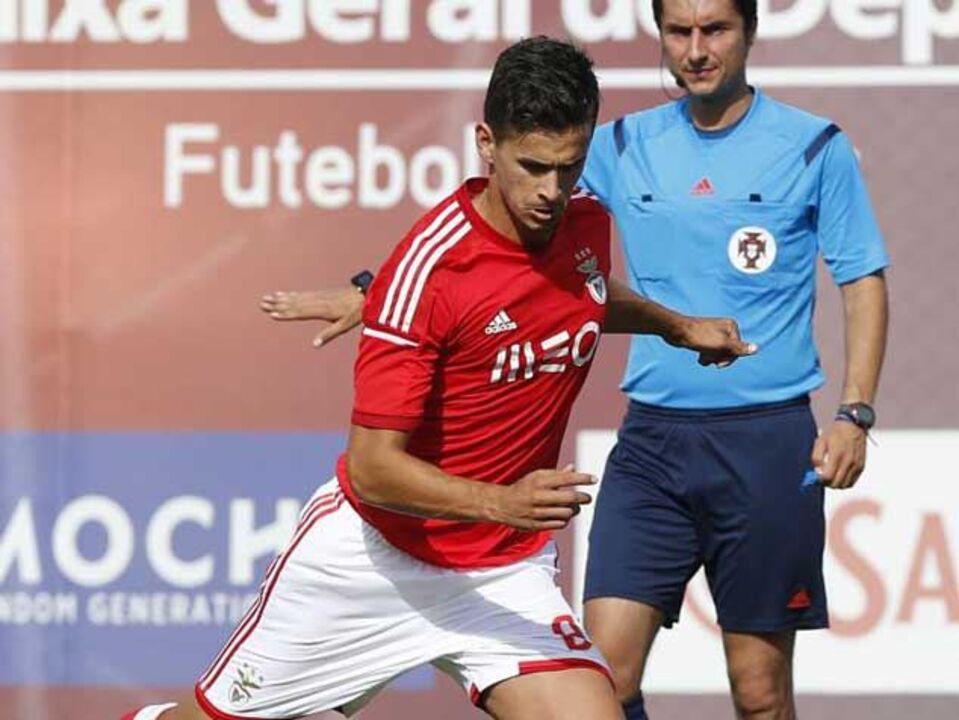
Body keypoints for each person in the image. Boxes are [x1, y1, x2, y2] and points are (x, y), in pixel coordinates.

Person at [265, 3, 891, 718]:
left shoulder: (813, 146)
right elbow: (493, 233)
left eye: (713, 30)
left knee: (757, 693)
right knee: (606, 677)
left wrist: (853, 411)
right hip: (653, 444)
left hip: (765, 440)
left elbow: (861, 278)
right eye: (677, 32)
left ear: (748, 31)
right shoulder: (616, 144)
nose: (694, 50)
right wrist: (374, 290)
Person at [124, 36, 755, 720]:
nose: (550, 190)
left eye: (568, 168)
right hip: (374, 561)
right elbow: (371, 469)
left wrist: (673, 324)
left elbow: (583, 295)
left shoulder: (584, 224)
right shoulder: (429, 271)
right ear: (486, 143)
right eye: (532, 166)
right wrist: (499, 502)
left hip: (501, 570)